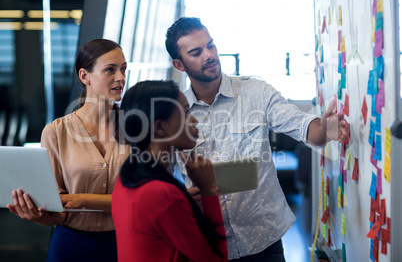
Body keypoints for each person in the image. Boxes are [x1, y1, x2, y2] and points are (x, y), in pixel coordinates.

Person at [165, 17, 349, 261]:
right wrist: (181, 199)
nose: (209, 55)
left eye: (211, 45)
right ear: (179, 64)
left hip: (264, 240)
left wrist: (324, 129)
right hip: (207, 242)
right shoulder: (176, 112)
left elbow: (302, 126)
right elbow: (158, 177)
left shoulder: (256, 91)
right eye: (196, 52)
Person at [7, 38, 131, 261]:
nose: (121, 77)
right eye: (110, 70)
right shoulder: (56, 132)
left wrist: (81, 199)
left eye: (123, 69)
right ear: (85, 77)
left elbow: (142, 200)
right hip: (71, 246)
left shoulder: (137, 128)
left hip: (128, 243)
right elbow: (59, 208)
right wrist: (40, 216)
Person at [112, 80, 228, 262]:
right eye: (186, 113)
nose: (195, 121)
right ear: (160, 127)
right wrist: (209, 191)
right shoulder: (162, 193)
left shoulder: (127, 178)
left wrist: (184, 202)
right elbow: (217, 259)